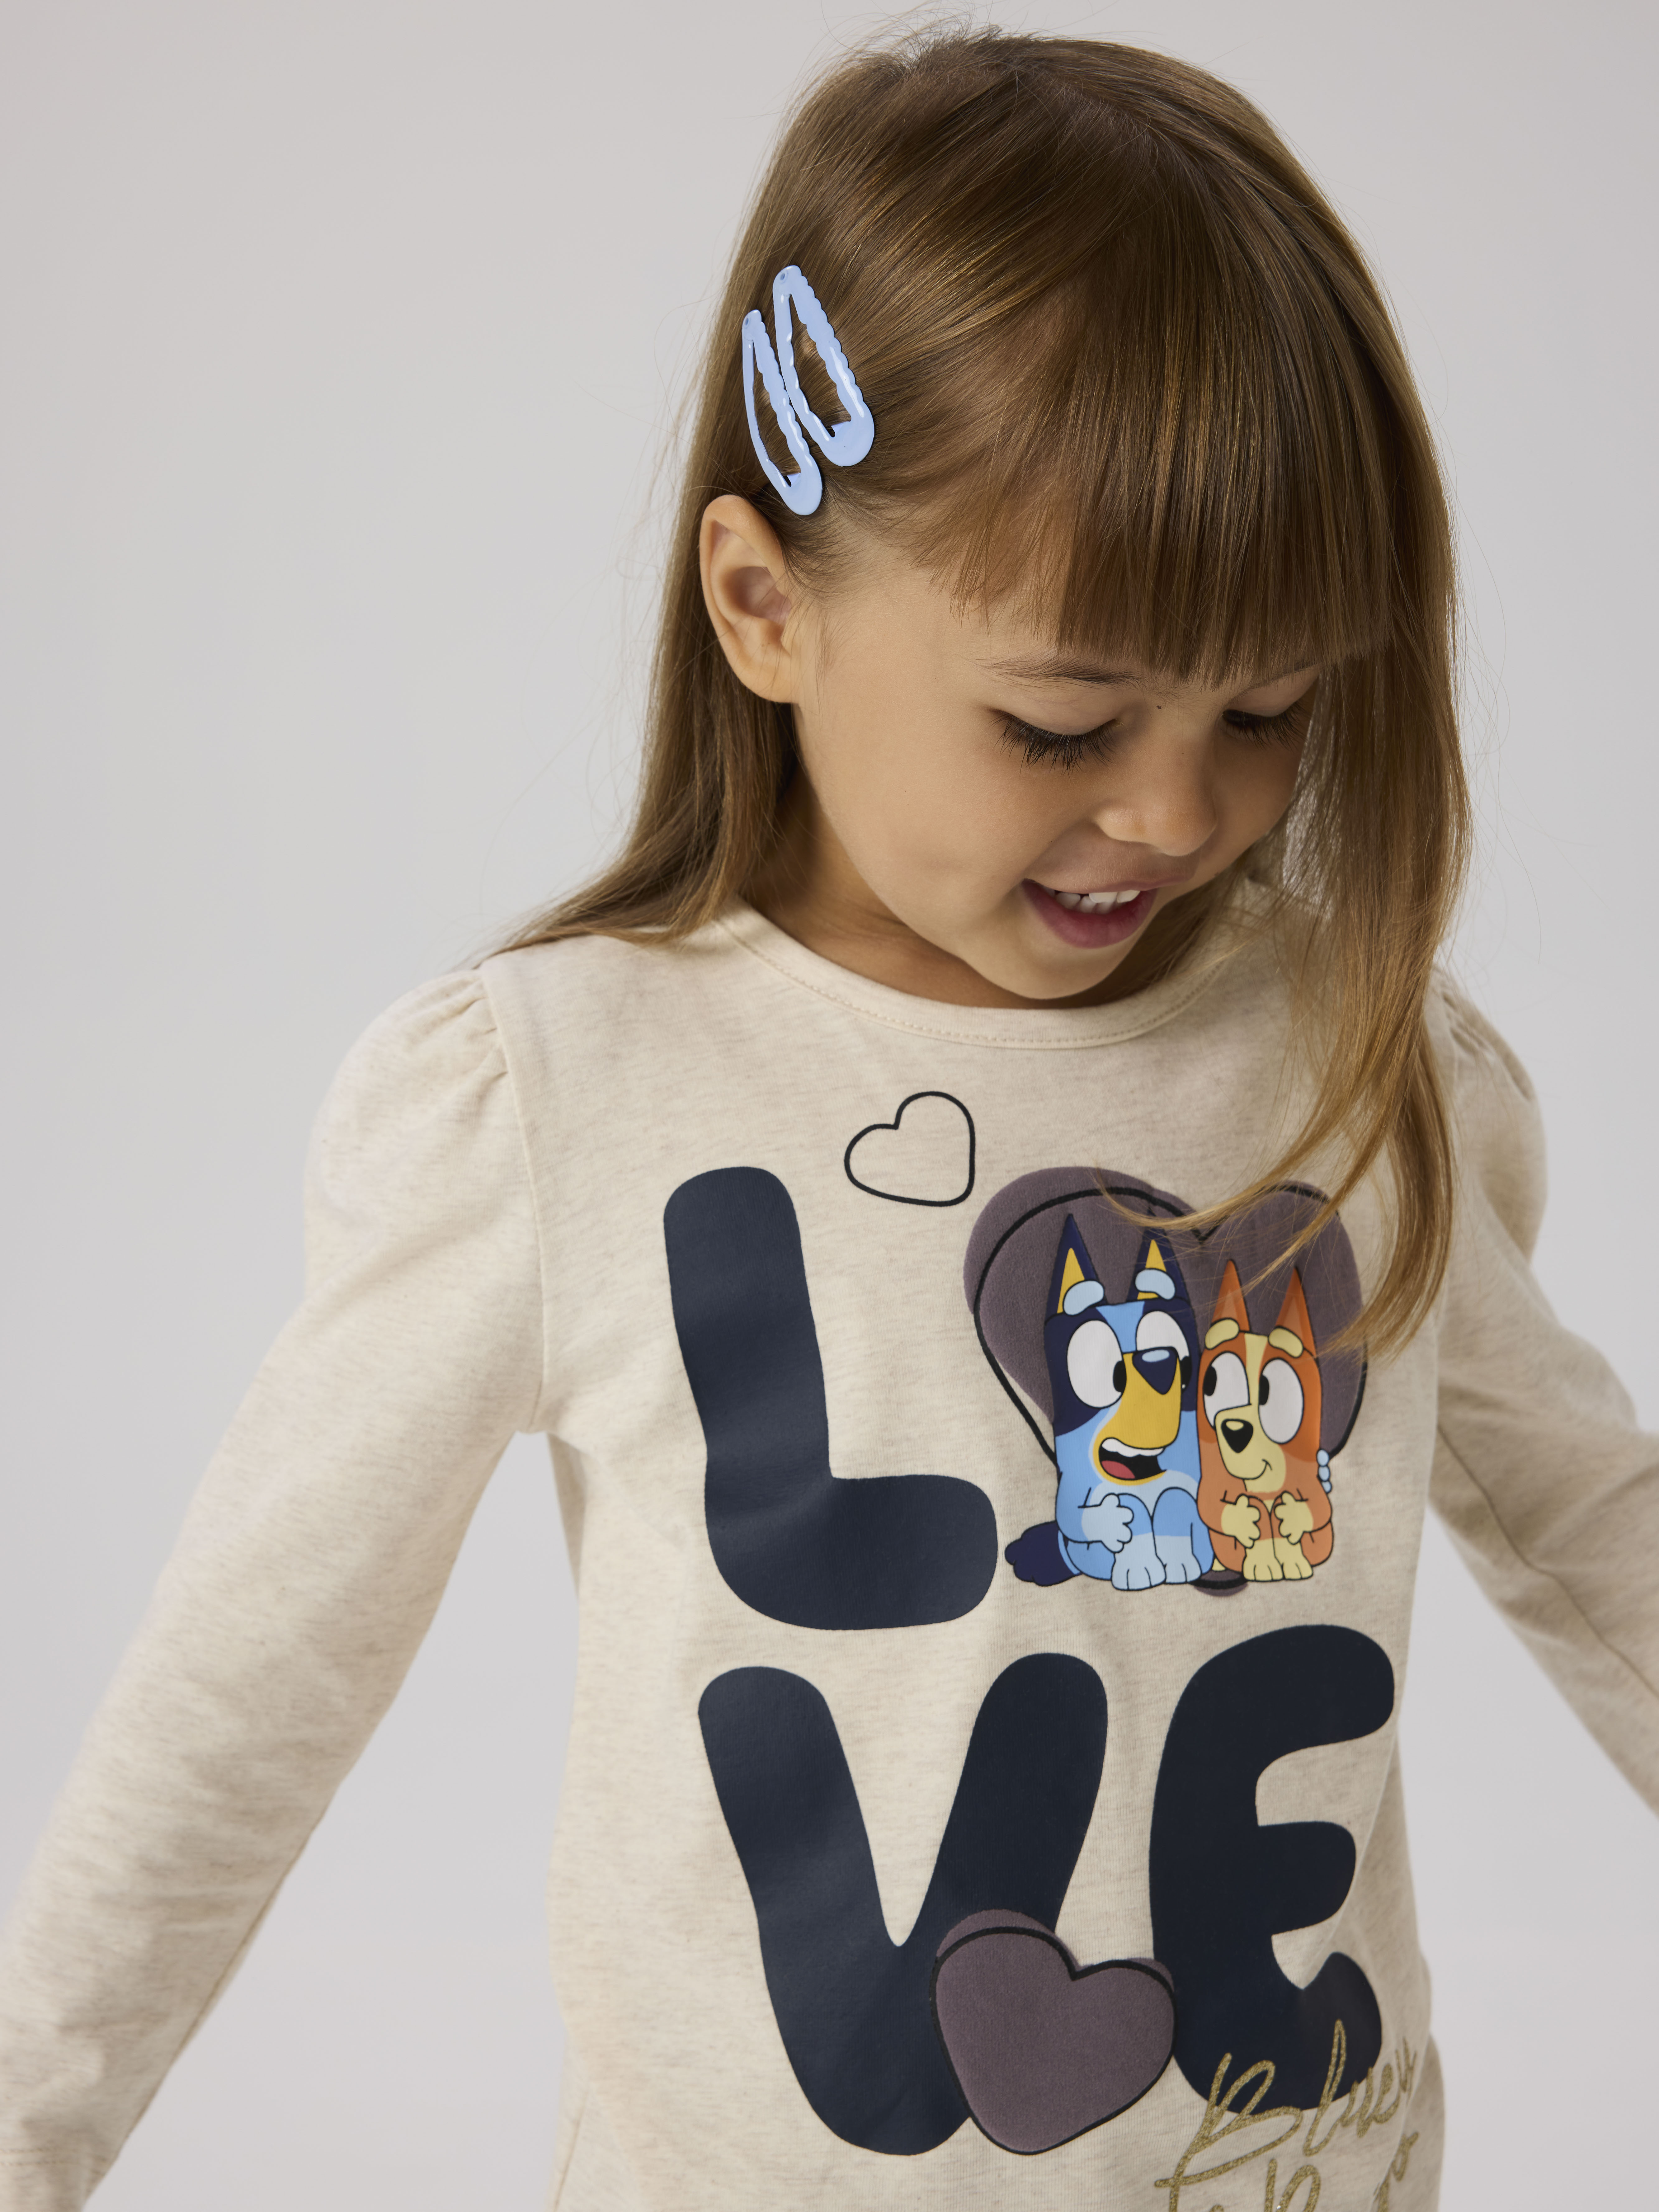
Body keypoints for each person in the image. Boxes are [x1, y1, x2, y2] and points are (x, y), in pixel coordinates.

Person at [0, 27, 1652, 2211]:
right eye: (1060, 721)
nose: (1177, 810)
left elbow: (1599, 1535)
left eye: (1268, 707)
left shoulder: (1355, 1061)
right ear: (765, 606)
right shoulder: (556, 1099)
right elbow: (247, 1685)